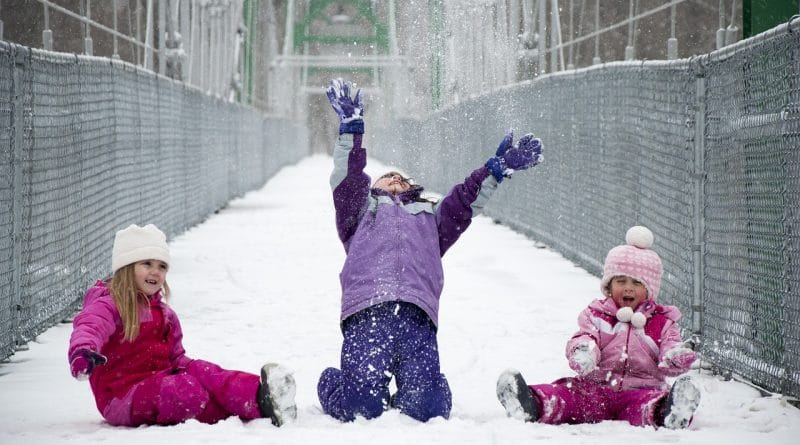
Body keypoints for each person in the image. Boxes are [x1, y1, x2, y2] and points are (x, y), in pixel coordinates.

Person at [317, 78, 544, 422]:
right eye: (387, 178)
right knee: (360, 407)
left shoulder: (430, 220)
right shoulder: (359, 215)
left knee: (428, 409)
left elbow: (464, 202)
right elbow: (348, 176)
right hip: (368, 313)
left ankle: (427, 390)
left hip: (417, 316)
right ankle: (335, 384)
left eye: (403, 180)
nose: (395, 181)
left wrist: (493, 172)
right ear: (372, 189)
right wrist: (352, 129)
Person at [68, 224, 297, 427]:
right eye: (147, 263)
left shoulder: (165, 314)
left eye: (161, 266)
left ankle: (261, 395)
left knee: (206, 373)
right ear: (127, 267)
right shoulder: (109, 304)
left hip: (159, 380)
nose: (155, 272)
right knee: (184, 390)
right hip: (121, 396)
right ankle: (242, 409)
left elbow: (176, 358)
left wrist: (200, 372)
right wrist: (83, 353)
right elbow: (90, 326)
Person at [496, 225, 701, 429]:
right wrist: (584, 351)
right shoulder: (597, 314)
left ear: (649, 291)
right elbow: (585, 336)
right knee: (568, 396)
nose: (628, 287)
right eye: (621, 281)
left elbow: (670, 348)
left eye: (637, 283)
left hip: (641, 389)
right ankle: (531, 403)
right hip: (596, 388)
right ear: (609, 286)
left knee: (646, 406)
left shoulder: (662, 322)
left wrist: (676, 357)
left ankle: (670, 412)